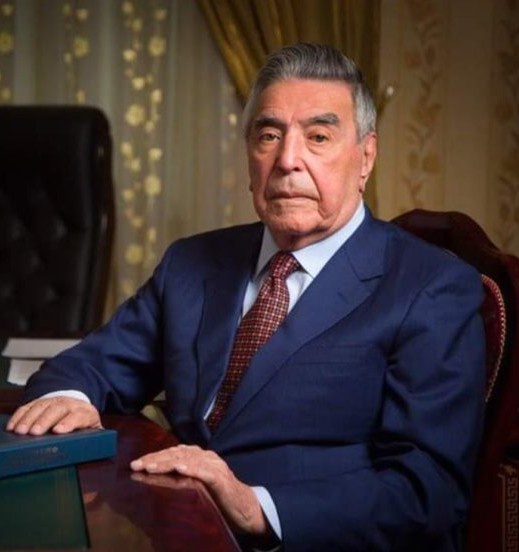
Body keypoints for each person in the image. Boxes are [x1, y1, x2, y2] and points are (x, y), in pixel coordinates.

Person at [7, 43, 485, 552]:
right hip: (174, 531)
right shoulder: (191, 264)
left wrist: (258, 509)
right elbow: (87, 368)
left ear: (366, 157)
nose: (287, 161)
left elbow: (429, 493)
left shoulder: (431, 288)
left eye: (318, 137)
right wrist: (70, 400)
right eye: (269, 135)